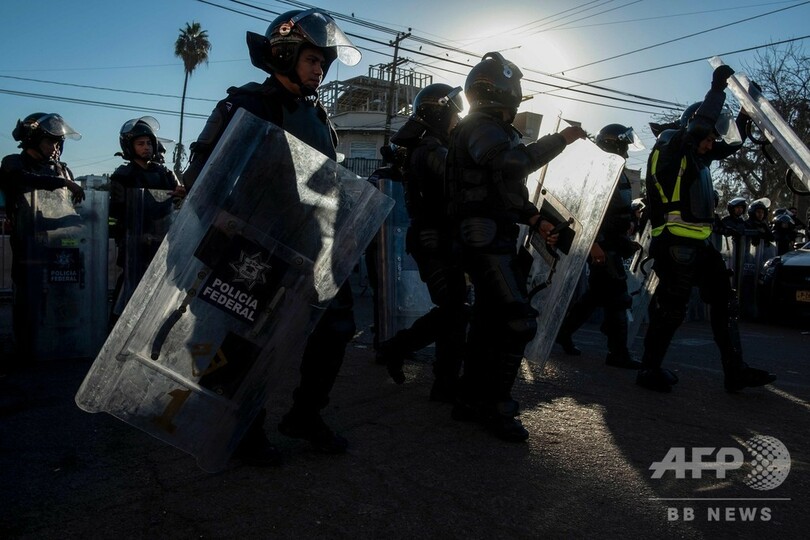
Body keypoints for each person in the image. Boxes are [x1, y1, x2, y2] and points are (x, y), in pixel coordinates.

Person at [183, 8, 361, 465]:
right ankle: (241, 426)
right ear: (283, 55)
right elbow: (203, 173)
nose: (320, 69)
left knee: (336, 325)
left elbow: (326, 183)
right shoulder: (245, 104)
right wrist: (221, 217)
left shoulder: (320, 117)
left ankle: (305, 414)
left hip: (308, 244)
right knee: (243, 336)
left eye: (324, 62)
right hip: (254, 241)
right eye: (312, 60)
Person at [445, 52, 586, 441]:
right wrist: (561, 139)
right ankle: (496, 406)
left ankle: (470, 399)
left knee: (490, 322)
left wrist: (536, 219)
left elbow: (503, 190)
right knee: (516, 319)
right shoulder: (480, 126)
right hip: (483, 237)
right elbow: (511, 166)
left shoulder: (486, 127)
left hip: (494, 233)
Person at [637, 64, 776, 393]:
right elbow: (699, 130)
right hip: (675, 246)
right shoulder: (670, 149)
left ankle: (735, 371)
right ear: (692, 130)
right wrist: (717, 89)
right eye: (709, 135)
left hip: (699, 247)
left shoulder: (697, 159)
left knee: (725, 302)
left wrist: (745, 113)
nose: (711, 143)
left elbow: (732, 145)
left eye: (714, 136)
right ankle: (649, 370)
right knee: (672, 310)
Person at [374, 83, 470, 403]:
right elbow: (460, 184)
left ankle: (444, 383)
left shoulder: (429, 146)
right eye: (454, 113)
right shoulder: (431, 149)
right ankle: (396, 348)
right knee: (455, 310)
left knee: (453, 310)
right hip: (435, 239)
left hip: (439, 238)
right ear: (440, 112)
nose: (458, 118)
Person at [555, 124, 643, 369]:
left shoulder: (618, 172)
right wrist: (593, 245)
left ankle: (563, 332)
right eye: (624, 145)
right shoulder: (599, 172)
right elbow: (585, 213)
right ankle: (618, 353)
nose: (626, 150)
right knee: (618, 298)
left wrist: (626, 238)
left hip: (613, 243)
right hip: (601, 246)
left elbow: (616, 212)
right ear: (615, 144)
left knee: (594, 297)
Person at [0, 113, 85, 363]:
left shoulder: (61, 169)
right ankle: (27, 348)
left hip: (62, 243)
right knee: (29, 296)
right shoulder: (13, 162)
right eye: (50, 141)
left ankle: (63, 342)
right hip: (29, 244)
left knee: (64, 295)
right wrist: (62, 183)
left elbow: (72, 206)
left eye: (59, 142)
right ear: (33, 139)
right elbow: (22, 180)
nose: (56, 148)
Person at [109, 116, 185, 324]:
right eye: (140, 143)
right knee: (128, 290)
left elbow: (179, 197)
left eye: (149, 143)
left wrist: (181, 193)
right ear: (129, 146)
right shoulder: (123, 175)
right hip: (135, 241)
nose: (146, 147)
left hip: (162, 241)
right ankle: (114, 331)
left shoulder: (165, 173)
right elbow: (117, 210)